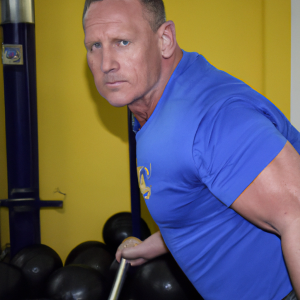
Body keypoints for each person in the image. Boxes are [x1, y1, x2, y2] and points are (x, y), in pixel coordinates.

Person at [83, 0, 300, 299]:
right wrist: (155, 245)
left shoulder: (213, 117)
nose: (107, 63)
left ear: (164, 40)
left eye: (123, 42)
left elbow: (297, 216)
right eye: (95, 45)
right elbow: (203, 201)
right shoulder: (158, 103)